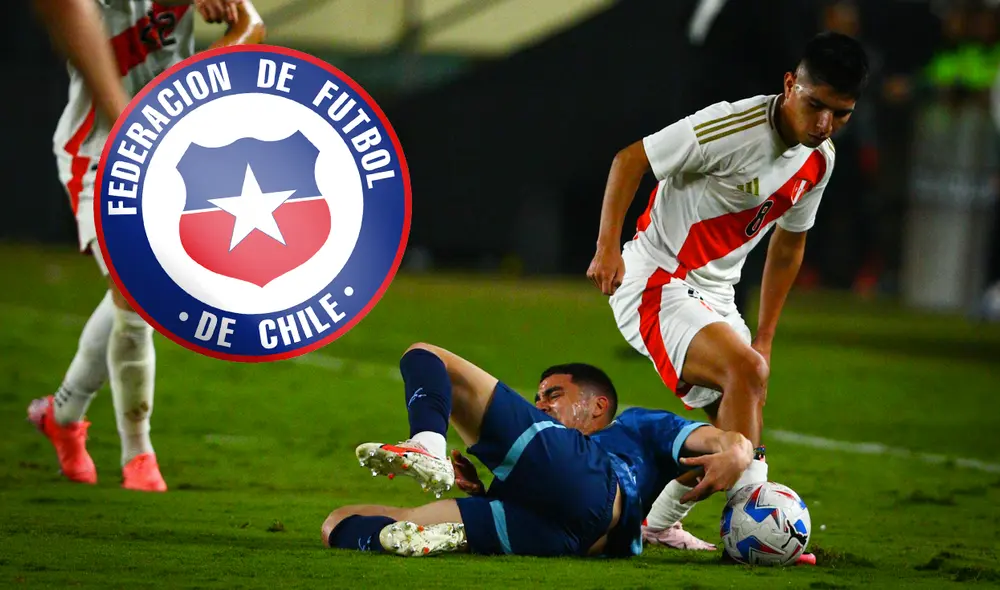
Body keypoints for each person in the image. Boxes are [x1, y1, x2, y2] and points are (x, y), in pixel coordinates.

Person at [585, 31, 869, 547]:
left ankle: (658, 523)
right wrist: (607, 248)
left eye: (841, 114)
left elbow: (788, 246)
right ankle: (751, 528)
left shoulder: (819, 159)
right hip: (656, 278)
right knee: (744, 379)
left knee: (729, 440)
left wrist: (764, 335)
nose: (825, 124)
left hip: (716, 296)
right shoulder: (731, 126)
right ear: (790, 85)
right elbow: (630, 160)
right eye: (816, 105)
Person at [27, 0, 263, 491]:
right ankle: (138, 452)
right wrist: (142, 124)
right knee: (136, 288)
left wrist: (200, 83)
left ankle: (64, 415)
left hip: (172, 151)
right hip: (96, 149)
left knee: (134, 295)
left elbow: (251, 24)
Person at [320, 342, 757, 558]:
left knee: (424, 355)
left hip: (590, 482)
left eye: (553, 394)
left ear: (598, 405)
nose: (541, 405)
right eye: (539, 398)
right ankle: (402, 538)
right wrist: (481, 492)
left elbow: (726, 441)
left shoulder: (638, 425)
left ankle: (427, 443)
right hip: (559, 538)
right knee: (337, 523)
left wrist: (738, 451)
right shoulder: (545, 455)